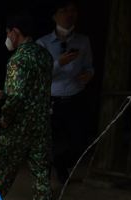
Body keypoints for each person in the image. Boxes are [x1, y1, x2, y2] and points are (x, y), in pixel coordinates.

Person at [0, 13, 53, 200]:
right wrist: (5, 92)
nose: (7, 38)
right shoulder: (45, 56)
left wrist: (5, 118)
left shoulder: (18, 59)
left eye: (8, 33)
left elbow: (17, 96)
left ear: (14, 32)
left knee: (4, 171)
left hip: (19, 125)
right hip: (41, 123)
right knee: (41, 171)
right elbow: (35, 89)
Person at [37, 0, 94, 184]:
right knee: (48, 142)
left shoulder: (83, 41)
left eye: (73, 10)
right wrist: (58, 63)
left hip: (76, 96)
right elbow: (39, 74)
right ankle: (44, 183)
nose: (69, 14)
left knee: (79, 141)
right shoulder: (43, 43)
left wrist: (88, 75)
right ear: (55, 15)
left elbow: (89, 67)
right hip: (51, 99)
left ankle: (61, 164)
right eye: (64, 10)